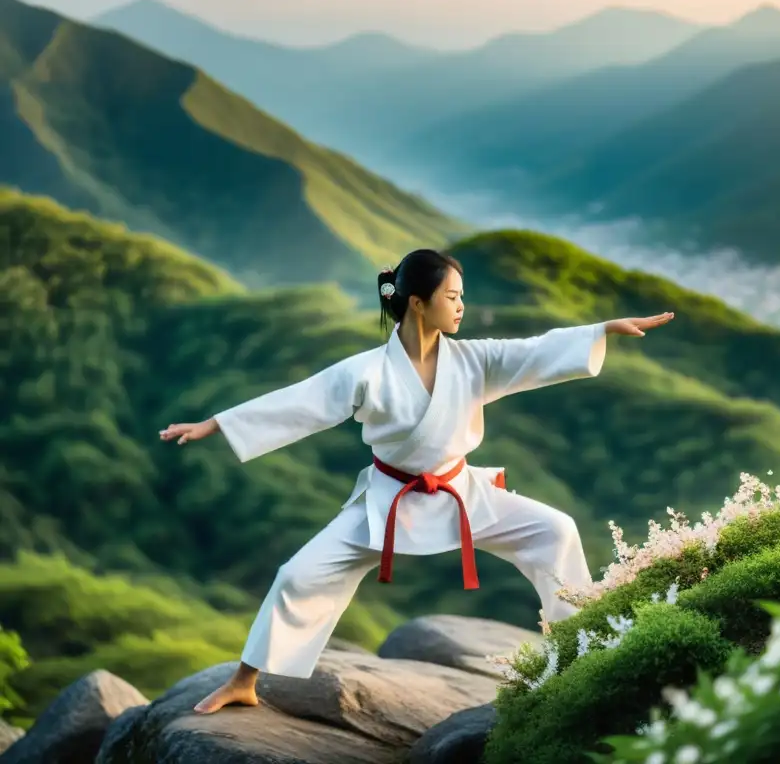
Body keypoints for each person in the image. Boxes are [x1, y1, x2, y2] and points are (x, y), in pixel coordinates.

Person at [159, 248, 674, 714]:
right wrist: (219, 423)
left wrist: (601, 330)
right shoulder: (368, 371)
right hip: (389, 501)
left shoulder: (474, 360)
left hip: (460, 493)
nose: (461, 306)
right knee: (299, 576)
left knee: (555, 531)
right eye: (452, 296)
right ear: (418, 303)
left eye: (462, 297)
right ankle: (244, 680)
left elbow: (533, 350)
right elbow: (302, 401)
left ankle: (582, 653)